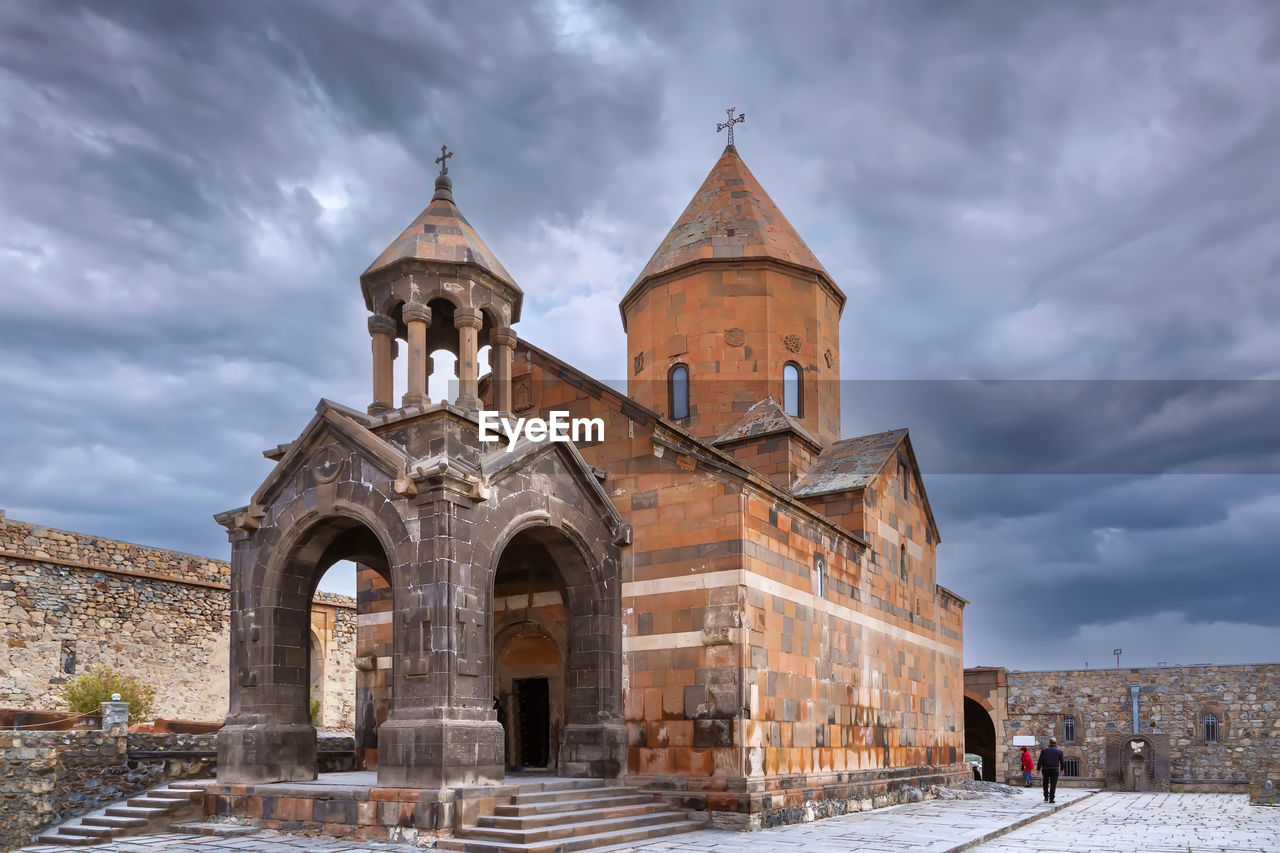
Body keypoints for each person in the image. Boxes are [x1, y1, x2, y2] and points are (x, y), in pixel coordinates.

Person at [1036, 737, 1065, 802]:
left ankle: (1046, 797)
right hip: (1054, 769)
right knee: (1053, 784)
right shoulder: (1060, 751)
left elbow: (1040, 760)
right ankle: (1051, 799)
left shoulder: (1044, 750)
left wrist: (1038, 769)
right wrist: (1062, 769)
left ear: (1049, 743)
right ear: (1056, 743)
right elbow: (1062, 761)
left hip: (1045, 769)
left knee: (1045, 783)